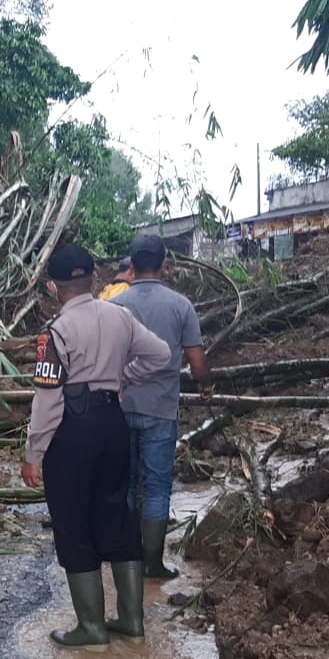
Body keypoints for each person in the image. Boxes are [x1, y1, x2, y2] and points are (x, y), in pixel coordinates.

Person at [21, 243, 171, 647]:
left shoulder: (54, 334)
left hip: (73, 431)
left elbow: (48, 399)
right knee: (118, 517)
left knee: (72, 523)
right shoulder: (119, 316)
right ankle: (132, 621)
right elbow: (161, 354)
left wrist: (34, 454)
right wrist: (124, 379)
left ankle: (90, 628)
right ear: (94, 279)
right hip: (113, 425)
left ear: (53, 287)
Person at [109, 234, 214, 579]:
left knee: (125, 483)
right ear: (165, 266)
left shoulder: (116, 307)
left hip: (120, 407)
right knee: (155, 485)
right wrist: (206, 386)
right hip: (161, 409)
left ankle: (126, 559)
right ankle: (152, 564)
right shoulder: (181, 306)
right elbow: (197, 360)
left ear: (132, 267)